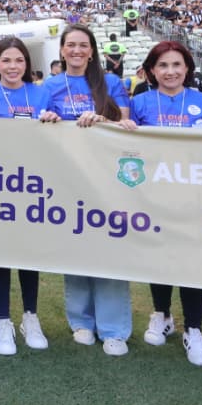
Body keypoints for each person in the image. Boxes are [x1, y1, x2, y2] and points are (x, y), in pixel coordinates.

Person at [129, 41, 202, 368]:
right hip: (154, 195)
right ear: (151, 71)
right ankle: (161, 313)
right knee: (159, 256)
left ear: (188, 68)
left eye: (177, 65)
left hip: (196, 196)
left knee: (192, 260)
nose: (170, 71)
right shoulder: (139, 102)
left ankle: (194, 328)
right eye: (163, 66)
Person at [38, 23, 134, 356]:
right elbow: (38, 132)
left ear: (92, 50)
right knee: (75, 252)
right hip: (65, 180)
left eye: (83, 45)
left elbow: (126, 125)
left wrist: (103, 122)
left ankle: (114, 329)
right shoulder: (48, 85)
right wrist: (47, 119)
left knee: (108, 252)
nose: (77, 51)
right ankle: (81, 322)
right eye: (71, 45)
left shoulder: (111, 83)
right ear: (61, 50)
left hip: (106, 180)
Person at [0, 36, 49, 355]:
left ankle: (30, 316)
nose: (12, 66)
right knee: (1, 255)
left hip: (33, 187)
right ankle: (3, 320)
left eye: (18, 60)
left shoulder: (42, 93)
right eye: (6, 61)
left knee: (28, 255)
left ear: (26, 64)